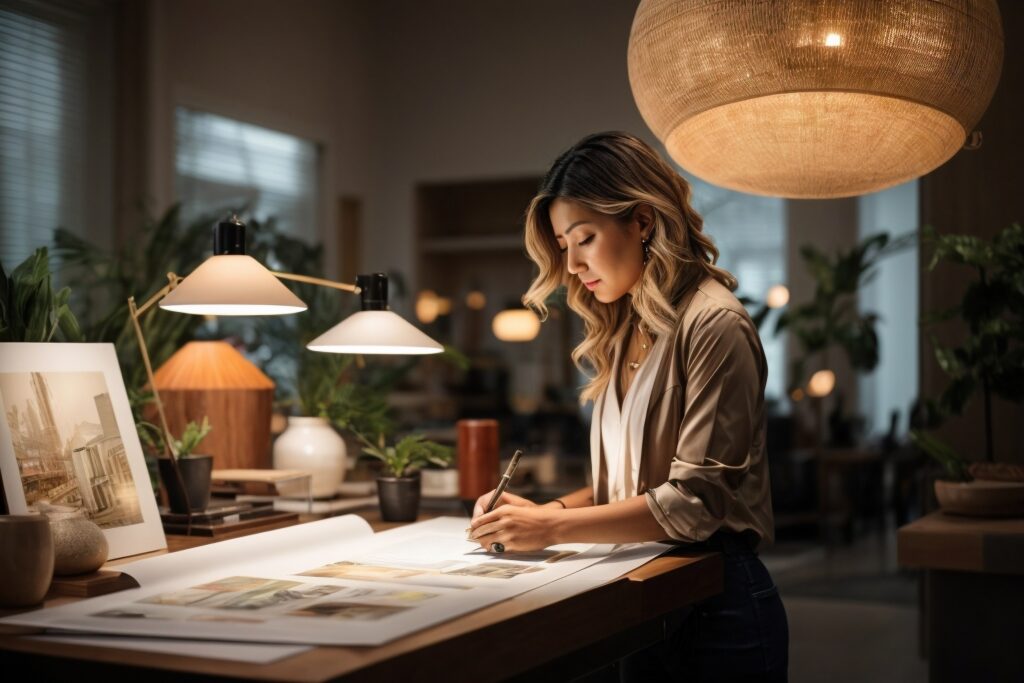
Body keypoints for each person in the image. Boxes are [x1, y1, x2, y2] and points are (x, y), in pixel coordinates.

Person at [468, 132, 789, 681]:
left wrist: (548, 531)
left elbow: (692, 502)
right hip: (646, 593)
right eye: (562, 246)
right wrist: (549, 513)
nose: (570, 265)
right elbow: (634, 482)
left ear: (642, 220)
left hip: (717, 606)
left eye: (584, 238)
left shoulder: (715, 324)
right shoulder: (625, 326)